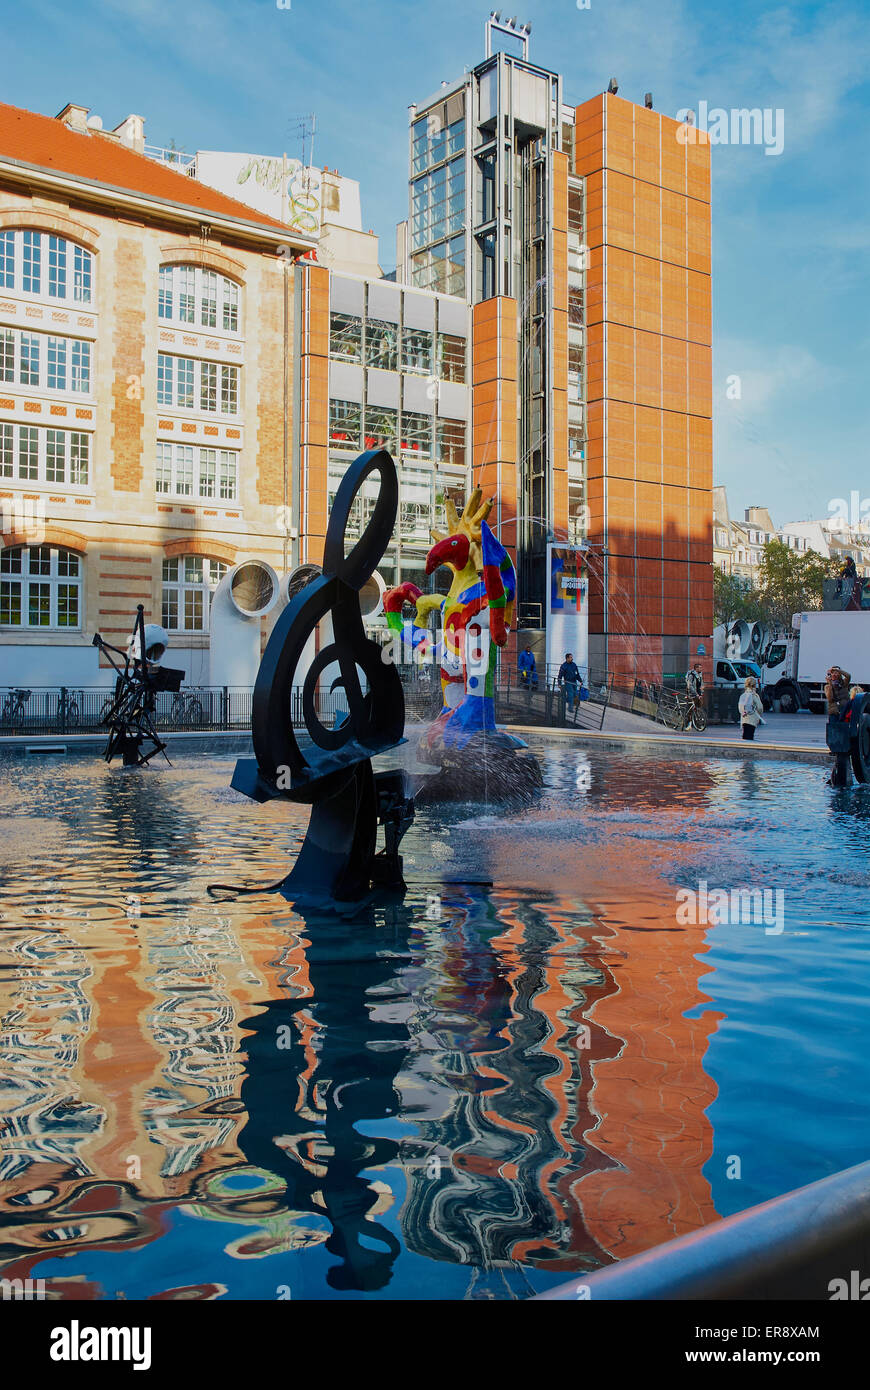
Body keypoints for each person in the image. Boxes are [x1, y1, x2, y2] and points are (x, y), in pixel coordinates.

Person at [738, 676, 763, 741]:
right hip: (752, 719)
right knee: (750, 736)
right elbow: (760, 707)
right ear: (754, 685)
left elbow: (740, 706)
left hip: (744, 719)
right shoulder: (754, 695)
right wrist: (759, 716)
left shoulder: (743, 695)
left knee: (745, 735)